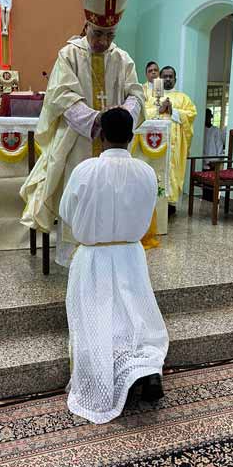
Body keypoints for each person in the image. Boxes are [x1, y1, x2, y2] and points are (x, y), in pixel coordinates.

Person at [20, 0, 144, 267]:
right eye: (98, 33)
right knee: (78, 194)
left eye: (110, 34)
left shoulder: (123, 59)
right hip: (78, 139)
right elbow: (61, 96)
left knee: (115, 198)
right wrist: (97, 119)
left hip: (115, 143)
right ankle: (76, 260)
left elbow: (137, 94)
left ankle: (113, 254)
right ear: (87, 25)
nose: (103, 41)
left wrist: (122, 116)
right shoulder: (69, 55)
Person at [59, 107, 169, 424]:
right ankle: (145, 368)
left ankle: (111, 371)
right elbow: (149, 208)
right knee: (134, 315)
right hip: (131, 255)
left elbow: (66, 212)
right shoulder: (146, 172)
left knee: (97, 318)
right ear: (131, 136)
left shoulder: (85, 170)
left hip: (94, 257)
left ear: (101, 136)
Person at [145, 66, 197, 215]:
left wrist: (173, 111)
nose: (168, 79)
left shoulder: (183, 98)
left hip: (175, 144)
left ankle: (170, 205)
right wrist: (159, 110)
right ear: (159, 79)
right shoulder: (152, 97)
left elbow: (191, 114)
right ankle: (153, 203)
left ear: (175, 79)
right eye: (165, 76)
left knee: (172, 171)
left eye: (170, 76)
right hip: (155, 142)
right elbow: (144, 113)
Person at [203, 108, 225, 201]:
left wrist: (216, 162)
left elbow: (220, 147)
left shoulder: (216, 131)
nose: (207, 118)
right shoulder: (201, 130)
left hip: (213, 163)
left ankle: (214, 202)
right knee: (205, 188)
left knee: (213, 187)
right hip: (203, 163)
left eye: (208, 116)